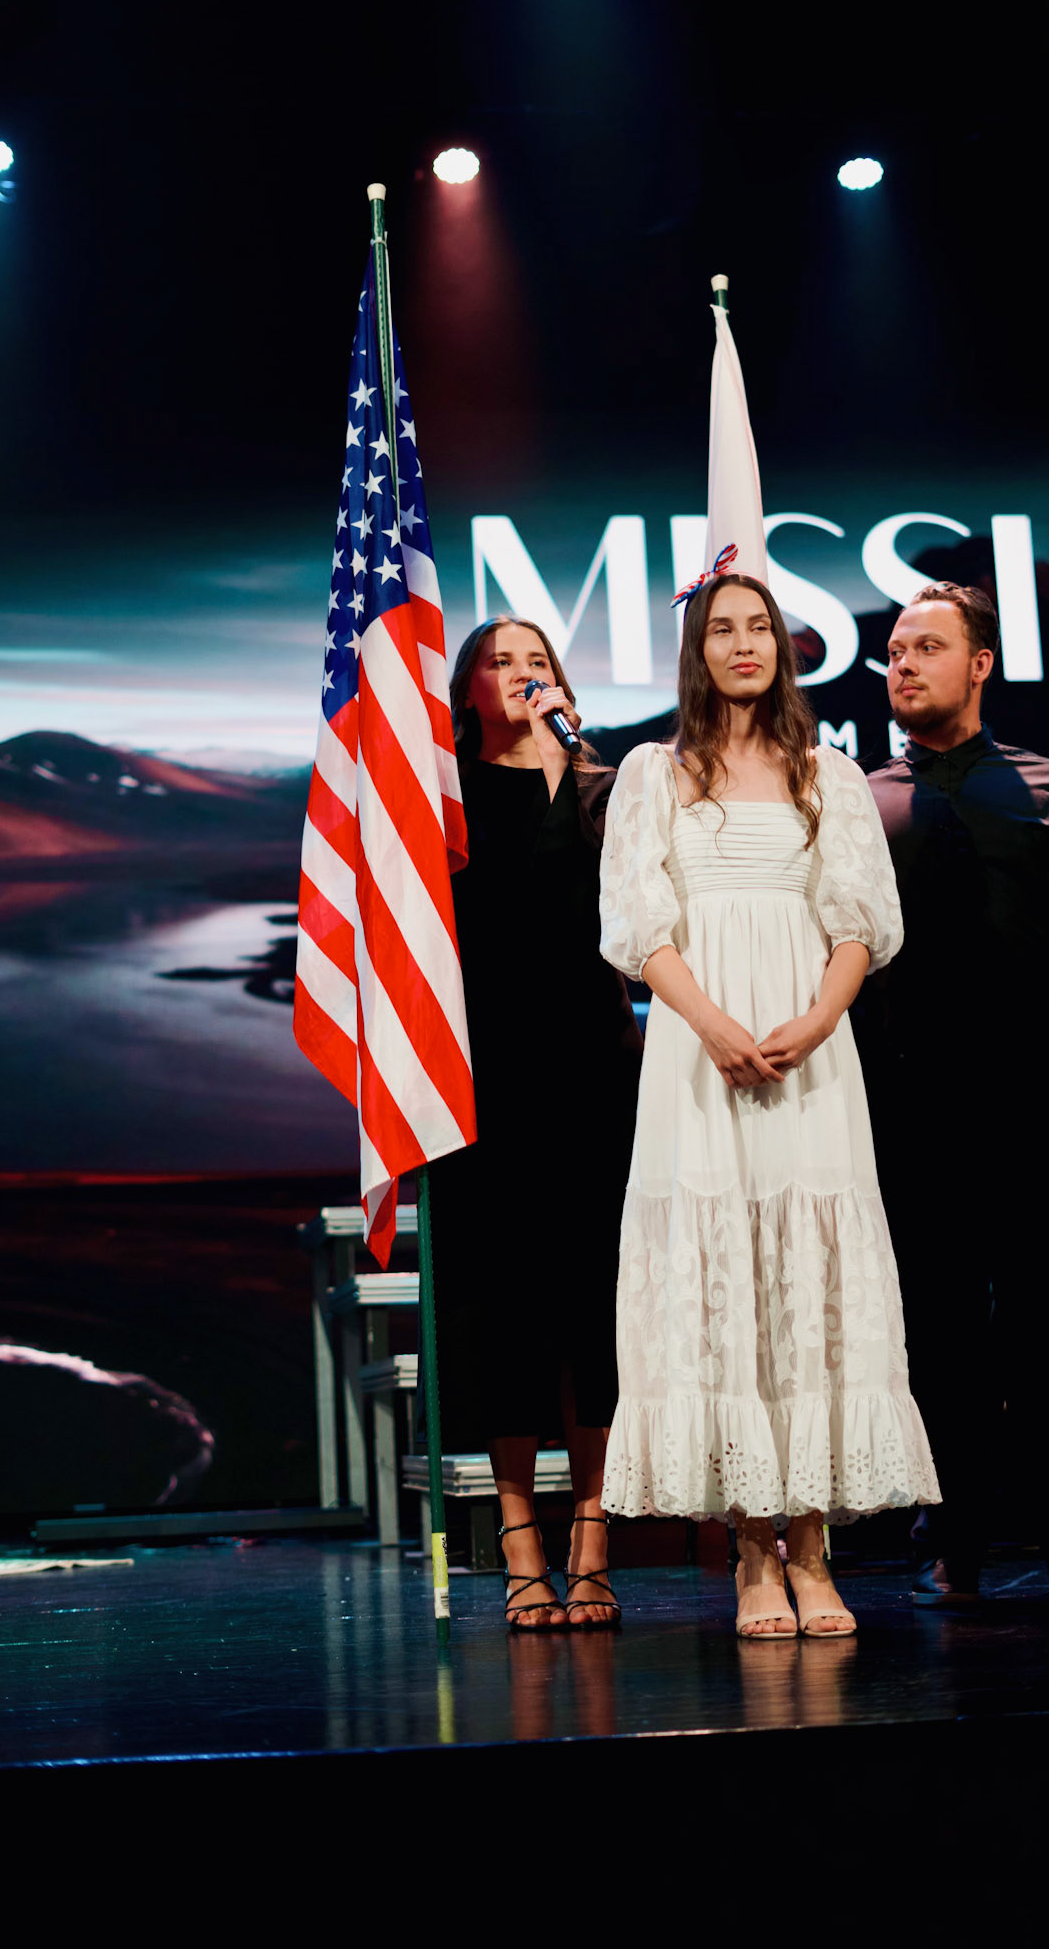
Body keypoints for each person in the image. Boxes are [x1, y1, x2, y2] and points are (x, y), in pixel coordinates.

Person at [598, 567, 938, 1639]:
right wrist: (710, 1023)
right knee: (726, 1276)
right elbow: (638, 926)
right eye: (722, 629)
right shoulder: (654, 774)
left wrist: (817, 1019)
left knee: (808, 1275)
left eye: (759, 627)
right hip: (699, 1058)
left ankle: (814, 1547)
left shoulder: (826, 774)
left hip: (810, 1055)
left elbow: (859, 921)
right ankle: (752, 1552)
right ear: (696, 651)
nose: (743, 644)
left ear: (782, 648)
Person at [862, 582, 1049, 1604]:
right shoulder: (861, 802)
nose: (903, 664)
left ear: (979, 663)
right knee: (936, 1330)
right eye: (895, 650)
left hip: (1036, 1097)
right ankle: (953, 1541)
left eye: (926, 647)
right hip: (910, 1106)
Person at [427, 618, 642, 1629]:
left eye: (538, 661)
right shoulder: (441, 797)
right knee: (503, 1310)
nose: (522, 675)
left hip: (594, 1076)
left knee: (596, 1307)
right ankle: (520, 1537)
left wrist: (567, 761)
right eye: (500, 661)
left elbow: (629, 918)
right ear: (466, 687)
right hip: (485, 1082)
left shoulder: (607, 790)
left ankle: (592, 1535)